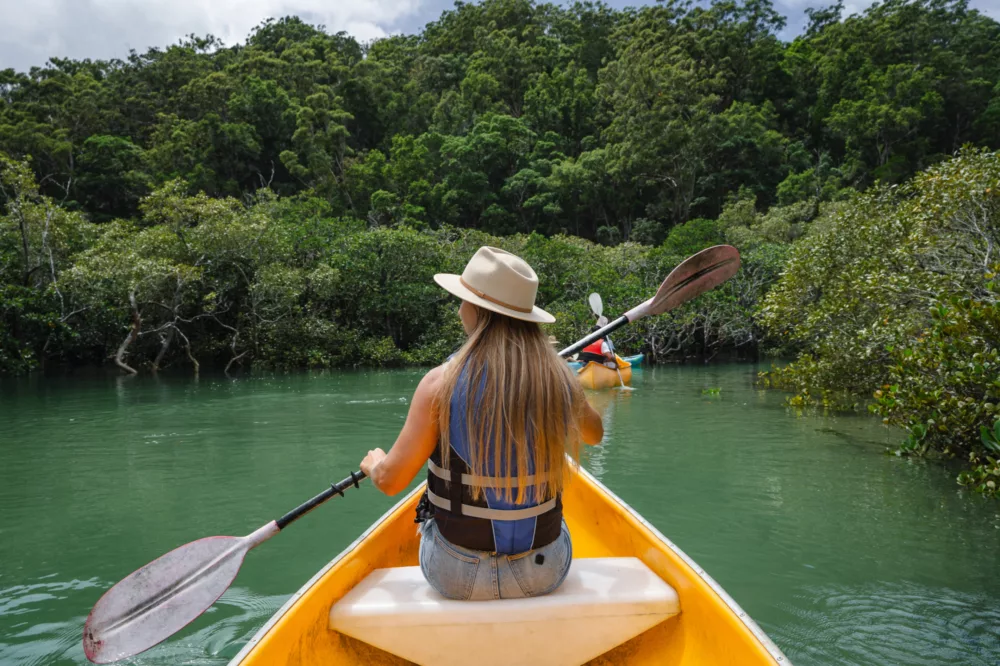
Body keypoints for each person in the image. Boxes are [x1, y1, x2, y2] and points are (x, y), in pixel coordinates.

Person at [359, 246, 604, 601]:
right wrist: (563, 385)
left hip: (455, 574)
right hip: (544, 569)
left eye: (462, 300)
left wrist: (374, 464)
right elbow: (594, 435)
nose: (460, 309)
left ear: (477, 311)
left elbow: (391, 481)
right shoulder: (559, 379)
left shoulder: (438, 383)